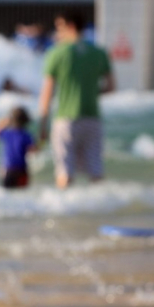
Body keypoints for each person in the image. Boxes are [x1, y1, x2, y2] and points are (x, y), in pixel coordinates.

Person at [39, 11, 115, 189]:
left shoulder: (56, 53)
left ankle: (65, 215)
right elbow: (111, 87)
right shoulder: (99, 52)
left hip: (66, 119)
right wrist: (89, 91)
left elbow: (47, 94)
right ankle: (100, 211)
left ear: (70, 26)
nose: (56, 32)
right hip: (93, 118)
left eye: (59, 27)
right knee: (96, 173)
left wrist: (42, 125)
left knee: (65, 173)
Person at [0, 107, 37, 189]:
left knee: (6, 194)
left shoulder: (7, 134)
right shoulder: (26, 135)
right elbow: (34, 150)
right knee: (22, 194)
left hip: (7, 169)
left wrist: (2, 123)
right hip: (21, 169)